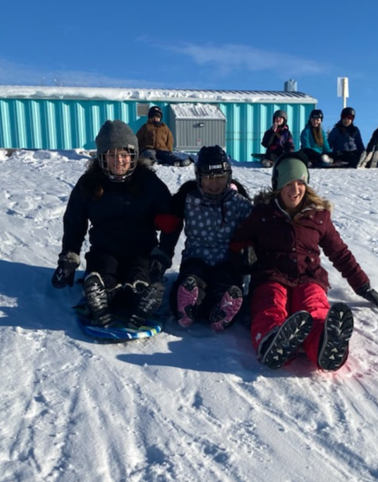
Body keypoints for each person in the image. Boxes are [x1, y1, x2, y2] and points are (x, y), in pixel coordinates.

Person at [229, 152, 378, 372]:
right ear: (277, 184)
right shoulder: (262, 214)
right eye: (288, 184)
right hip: (270, 275)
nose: (295, 190)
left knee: (314, 307)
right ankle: (271, 341)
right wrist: (244, 253)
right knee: (270, 305)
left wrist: (363, 286)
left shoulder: (318, 216)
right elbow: (237, 242)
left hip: (309, 277)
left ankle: (325, 345)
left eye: (300, 183)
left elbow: (340, 253)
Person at [52, 119, 180, 329]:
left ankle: (139, 297)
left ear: (133, 155)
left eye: (124, 154)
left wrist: (163, 254)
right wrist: (69, 256)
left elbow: (171, 221)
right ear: (102, 157)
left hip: (141, 250)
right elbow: (75, 220)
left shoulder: (148, 182)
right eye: (112, 155)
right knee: (102, 272)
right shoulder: (89, 182)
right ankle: (100, 294)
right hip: (105, 249)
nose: (119, 160)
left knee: (138, 275)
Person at [165, 145, 254, 332]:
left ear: (228, 176)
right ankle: (186, 306)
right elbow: (169, 214)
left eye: (220, 178)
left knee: (225, 282)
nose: (214, 184)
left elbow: (255, 225)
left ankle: (222, 309)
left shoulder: (238, 201)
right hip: (196, 257)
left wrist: (249, 248)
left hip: (227, 260)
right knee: (192, 278)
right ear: (199, 178)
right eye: (208, 179)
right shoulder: (188, 197)